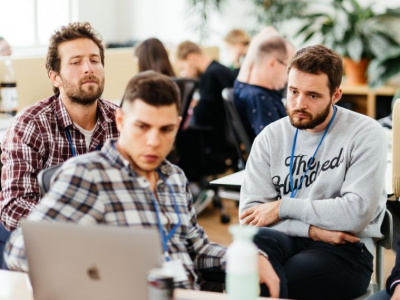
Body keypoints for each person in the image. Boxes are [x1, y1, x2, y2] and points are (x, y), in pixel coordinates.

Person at [4, 71, 280, 296]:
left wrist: (244, 256)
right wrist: (101, 270)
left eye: (165, 130)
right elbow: (20, 251)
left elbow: (196, 248)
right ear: (121, 121)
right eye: (142, 127)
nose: (153, 141)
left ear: (178, 125)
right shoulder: (89, 175)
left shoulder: (174, 176)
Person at [239, 45, 387, 299]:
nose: (299, 104)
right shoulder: (271, 136)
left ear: (336, 95)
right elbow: (250, 216)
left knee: (261, 278)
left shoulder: (365, 133)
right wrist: (314, 230)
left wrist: (281, 207)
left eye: (313, 96)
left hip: (345, 251)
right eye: (293, 91)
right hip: (289, 239)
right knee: (251, 250)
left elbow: (355, 214)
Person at [0, 22, 119, 236]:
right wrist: (77, 226)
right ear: (55, 78)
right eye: (76, 62)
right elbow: (15, 208)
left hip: (109, 235)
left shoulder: (120, 121)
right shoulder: (30, 125)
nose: (88, 68)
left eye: (95, 60)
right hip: (50, 237)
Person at [173, 41, 237, 180]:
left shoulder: (210, 75)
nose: (184, 73)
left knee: (180, 139)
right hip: (231, 137)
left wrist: (193, 107)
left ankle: (192, 188)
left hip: (218, 141)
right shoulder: (221, 70)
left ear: (191, 58)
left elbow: (202, 115)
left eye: (183, 67)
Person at [234, 34, 295, 141]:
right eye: (289, 67)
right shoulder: (259, 98)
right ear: (272, 63)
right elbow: (275, 145)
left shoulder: (242, 85)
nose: (290, 76)